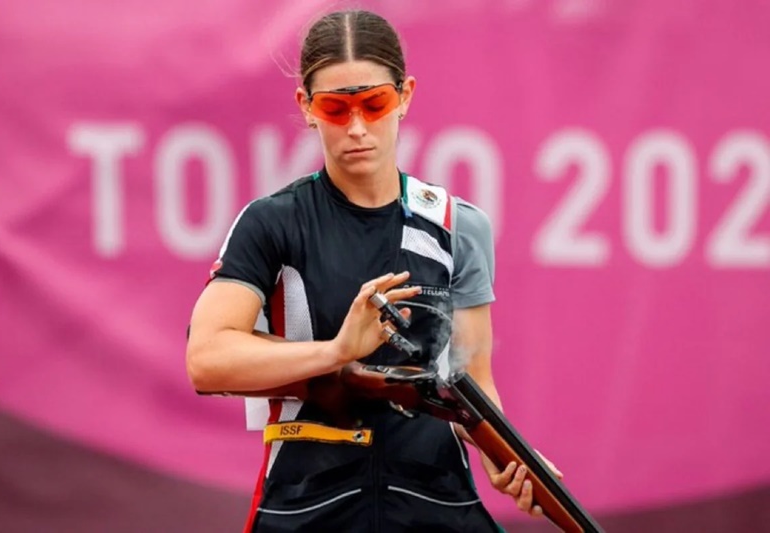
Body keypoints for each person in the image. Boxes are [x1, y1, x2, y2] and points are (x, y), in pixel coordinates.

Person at [186, 9, 561, 532]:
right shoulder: (272, 222)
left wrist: (510, 459)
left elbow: (473, 383)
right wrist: (338, 351)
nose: (358, 127)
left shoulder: (458, 225)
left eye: (375, 103)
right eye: (336, 108)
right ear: (306, 107)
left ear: (405, 95)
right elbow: (206, 358)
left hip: (436, 506)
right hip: (309, 509)